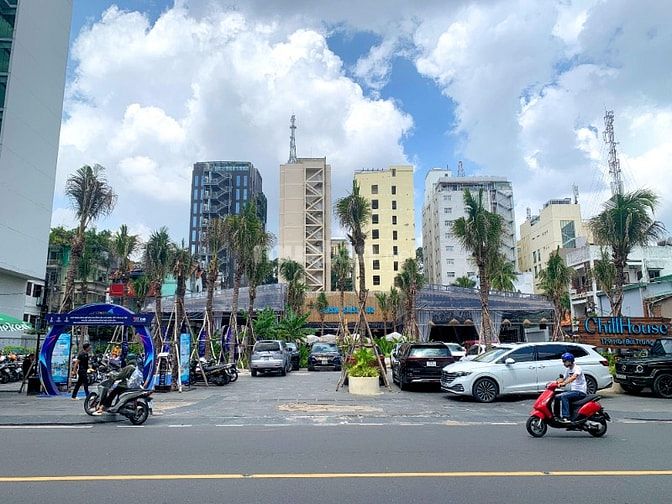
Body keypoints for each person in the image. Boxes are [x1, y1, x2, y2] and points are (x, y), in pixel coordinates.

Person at [556, 352, 587, 422]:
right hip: (573, 391)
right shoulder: (568, 369)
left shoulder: (577, 368)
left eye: (565, 361)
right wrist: (556, 383)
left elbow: (573, 377)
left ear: (570, 361)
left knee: (564, 396)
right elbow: (563, 378)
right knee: (557, 396)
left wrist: (564, 383)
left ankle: (566, 417)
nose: (563, 363)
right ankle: (556, 415)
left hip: (580, 391)